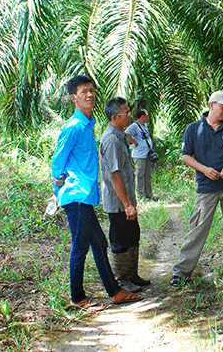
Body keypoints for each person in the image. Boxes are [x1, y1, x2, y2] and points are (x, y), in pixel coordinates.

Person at [51, 75, 142, 309]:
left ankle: (114, 292)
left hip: (85, 197)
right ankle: (78, 297)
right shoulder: (74, 127)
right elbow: (57, 162)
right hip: (76, 196)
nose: (90, 94)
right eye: (84, 91)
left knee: (100, 244)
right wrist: (57, 188)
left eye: (91, 90)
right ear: (74, 98)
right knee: (80, 247)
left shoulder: (88, 125)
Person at [170, 91, 223, 286]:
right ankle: (182, 271)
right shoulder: (194, 129)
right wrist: (204, 169)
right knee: (197, 229)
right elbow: (186, 155)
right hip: (206, 188)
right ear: (212, 105)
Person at [100, 97, 152, 294]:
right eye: (126, 113)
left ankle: (132, 275)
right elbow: (115, 176)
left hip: (127, 200)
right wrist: (127, 204)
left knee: (133, 235)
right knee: (120, 240)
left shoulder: (120, 135)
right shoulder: (111, 139)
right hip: (118, 203)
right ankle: (122, 280)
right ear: (114, 117)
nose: (130, 116)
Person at [126, 109, 157, 201]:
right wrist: (133, 142)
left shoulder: (145, 126)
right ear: (142, 117)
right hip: (139, 155)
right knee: (140, 175)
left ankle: (149, 195)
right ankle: (141, 195)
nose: (147, 118)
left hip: (147, 154)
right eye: (146, 116)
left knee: (148, 175)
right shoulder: (134, 126)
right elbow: (126, 134)